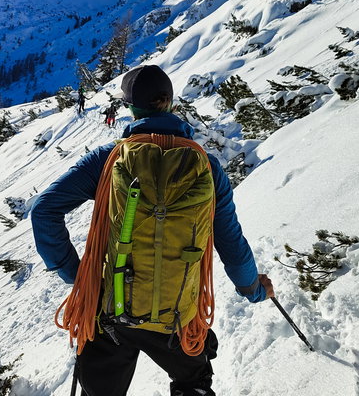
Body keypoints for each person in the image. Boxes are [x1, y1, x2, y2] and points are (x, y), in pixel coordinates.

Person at [31, 65, 274, 396]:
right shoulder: (207, 166)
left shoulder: (109, 159)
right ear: (169, 102)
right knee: (193, 382)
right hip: (177, 315)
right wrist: (253, 288)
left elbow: (44, 211)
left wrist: (80, 276)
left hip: (110, 311)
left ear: (131, 107)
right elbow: (230, 241)